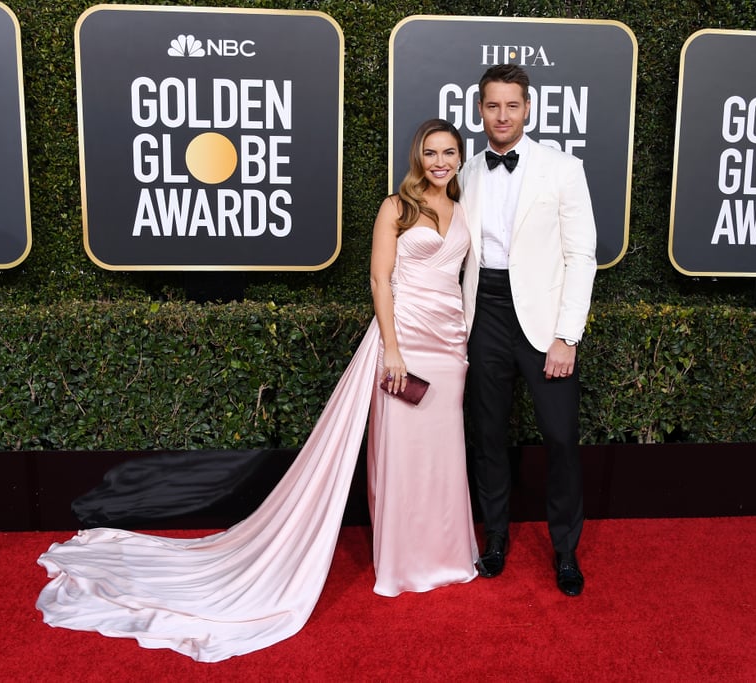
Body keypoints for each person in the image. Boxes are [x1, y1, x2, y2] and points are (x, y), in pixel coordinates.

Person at [36, 118, 477, 662]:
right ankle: (405, 563)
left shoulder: (465, 207)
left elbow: (465, 279)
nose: (440, 161)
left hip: (450, 347)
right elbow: (379, 279)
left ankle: (448, 555)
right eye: (431, 152)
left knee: (444, 455)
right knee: (401, 457)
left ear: (460, 157)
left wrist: (463, 343)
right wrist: (391, 346)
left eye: (449, 152)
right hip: (404, 344)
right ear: (418, 157)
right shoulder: (397, 208)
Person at [459, 64, 598, 597]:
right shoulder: (467, 171)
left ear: (528, 109)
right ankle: (495, 537)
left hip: (543, 320)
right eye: (492, 106)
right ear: (480, 110)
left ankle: (565, 550)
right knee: (488, 437)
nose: (502, 116)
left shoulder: (563, 168)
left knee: (561, 439)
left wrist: (568, 335)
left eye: (511, 106)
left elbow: (580, 255)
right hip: (484, 315)